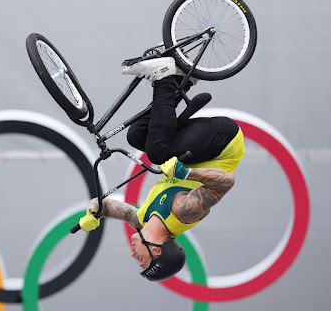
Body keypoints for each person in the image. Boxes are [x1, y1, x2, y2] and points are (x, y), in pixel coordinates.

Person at [78, 56, 245, 281]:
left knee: (137, 137)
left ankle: (182, 79)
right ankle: (164, 76)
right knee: (158, 152)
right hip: (224, 144)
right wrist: (185, 174)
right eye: (141, 259)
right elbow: (226, 182)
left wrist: (92, 214)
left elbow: (104, 206)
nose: (132, 254)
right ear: (156, 250)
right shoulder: (183, 211)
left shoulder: (142, 219)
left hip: (199, 147)